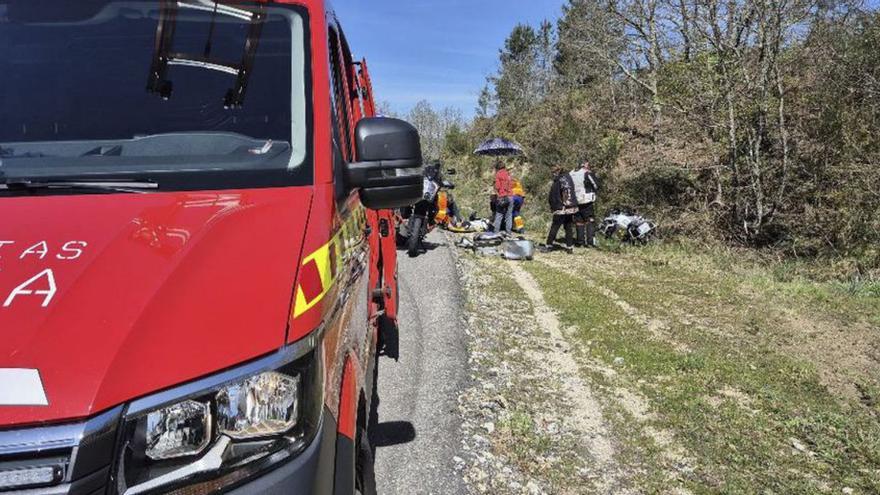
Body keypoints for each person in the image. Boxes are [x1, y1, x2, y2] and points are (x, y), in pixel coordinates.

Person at [543, 165, 578, 252]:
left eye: (553, 172)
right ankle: (569, 247)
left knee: (555, 226)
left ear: (557, 171)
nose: (553, 174)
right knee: (568, 227)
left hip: (561, 207)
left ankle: (549, 245)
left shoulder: (559, 180)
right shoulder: (568, 178)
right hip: (571, 207)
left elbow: (556, 194)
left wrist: (555, 206)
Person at [569, 159, 601, 247]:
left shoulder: (571, 173)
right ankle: (590, 242)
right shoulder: (586, 173)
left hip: (575, 200)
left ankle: (580, 242)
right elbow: (596, 185)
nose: (588, 166)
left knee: (579, 221)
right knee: (589, 220)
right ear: (584, 165)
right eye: (587, 164)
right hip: (586, 200)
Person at [492, 161, 514, 235]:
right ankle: (508, 232)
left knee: (499, 214)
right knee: (509, 215)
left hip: (502, 196)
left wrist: (494, 185)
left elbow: (497, 187)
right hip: (510, 196)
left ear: (497, 168)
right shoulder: (508, 174)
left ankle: (496, 232)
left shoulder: (498, 174)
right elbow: (511, 184)